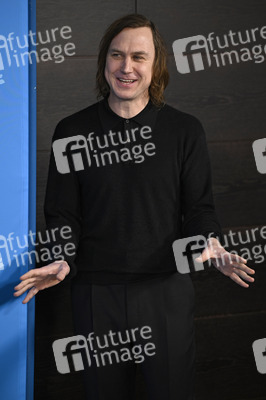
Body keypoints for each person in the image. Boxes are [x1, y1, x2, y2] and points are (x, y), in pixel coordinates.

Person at [14, 14, 255, 400]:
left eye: (139, 57)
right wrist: (61, 258)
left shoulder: (184, 130)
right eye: (117, 55)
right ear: (104, 62)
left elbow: (199, 209)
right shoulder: (71, 131)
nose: (126, 67)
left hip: (165, 292)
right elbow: (63, 215)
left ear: (155, 64)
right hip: (95, 294)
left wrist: (207, 242)